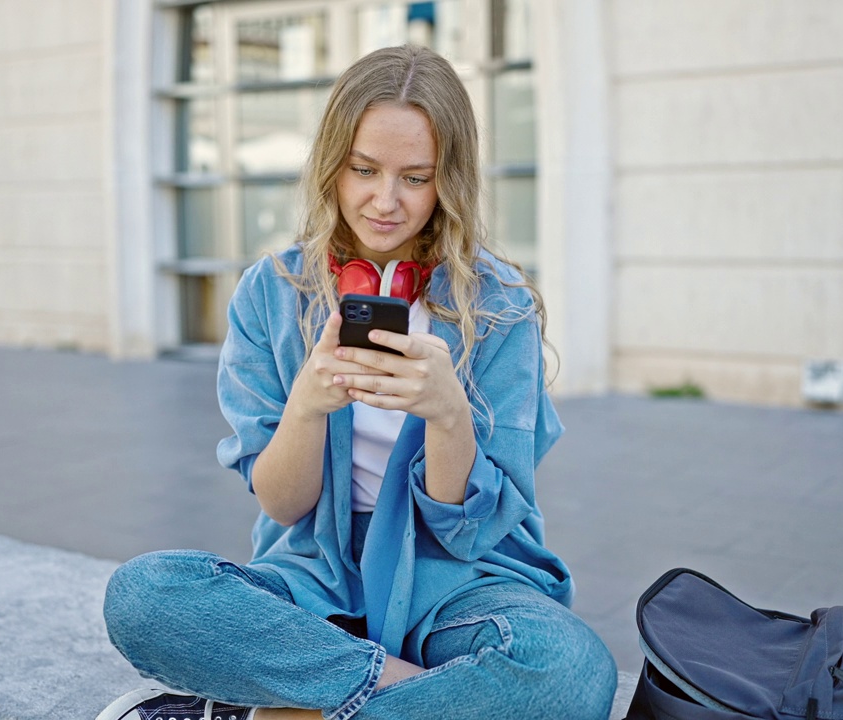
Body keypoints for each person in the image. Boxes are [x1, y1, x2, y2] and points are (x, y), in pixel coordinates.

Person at [98, 45, 617, 720]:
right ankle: (404, 693)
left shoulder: (499, 306)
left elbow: (470, 534)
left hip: (460, 586)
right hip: (319, 576)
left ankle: (283, 703)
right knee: (144, 596)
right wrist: (308, 407)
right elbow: (284, 508)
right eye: (363, 169)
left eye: (416, 177)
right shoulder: (270, 294)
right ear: (331, 165)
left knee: (572, 672)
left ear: (447, 180)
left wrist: (449, 416)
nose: (385, 201)